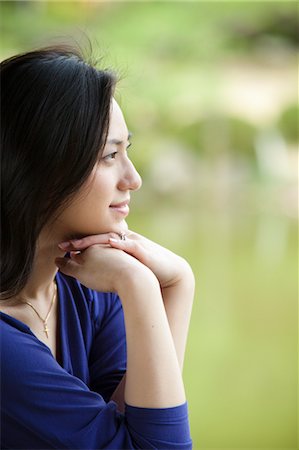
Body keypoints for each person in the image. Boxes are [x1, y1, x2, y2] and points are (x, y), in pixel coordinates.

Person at [0, 45, 195, 449]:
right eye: (110, 155)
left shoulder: (86, 287)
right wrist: (142, 286)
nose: (133, 178)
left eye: (128, 150)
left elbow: (137, 424)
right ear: (39, 168)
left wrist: (178, 284)